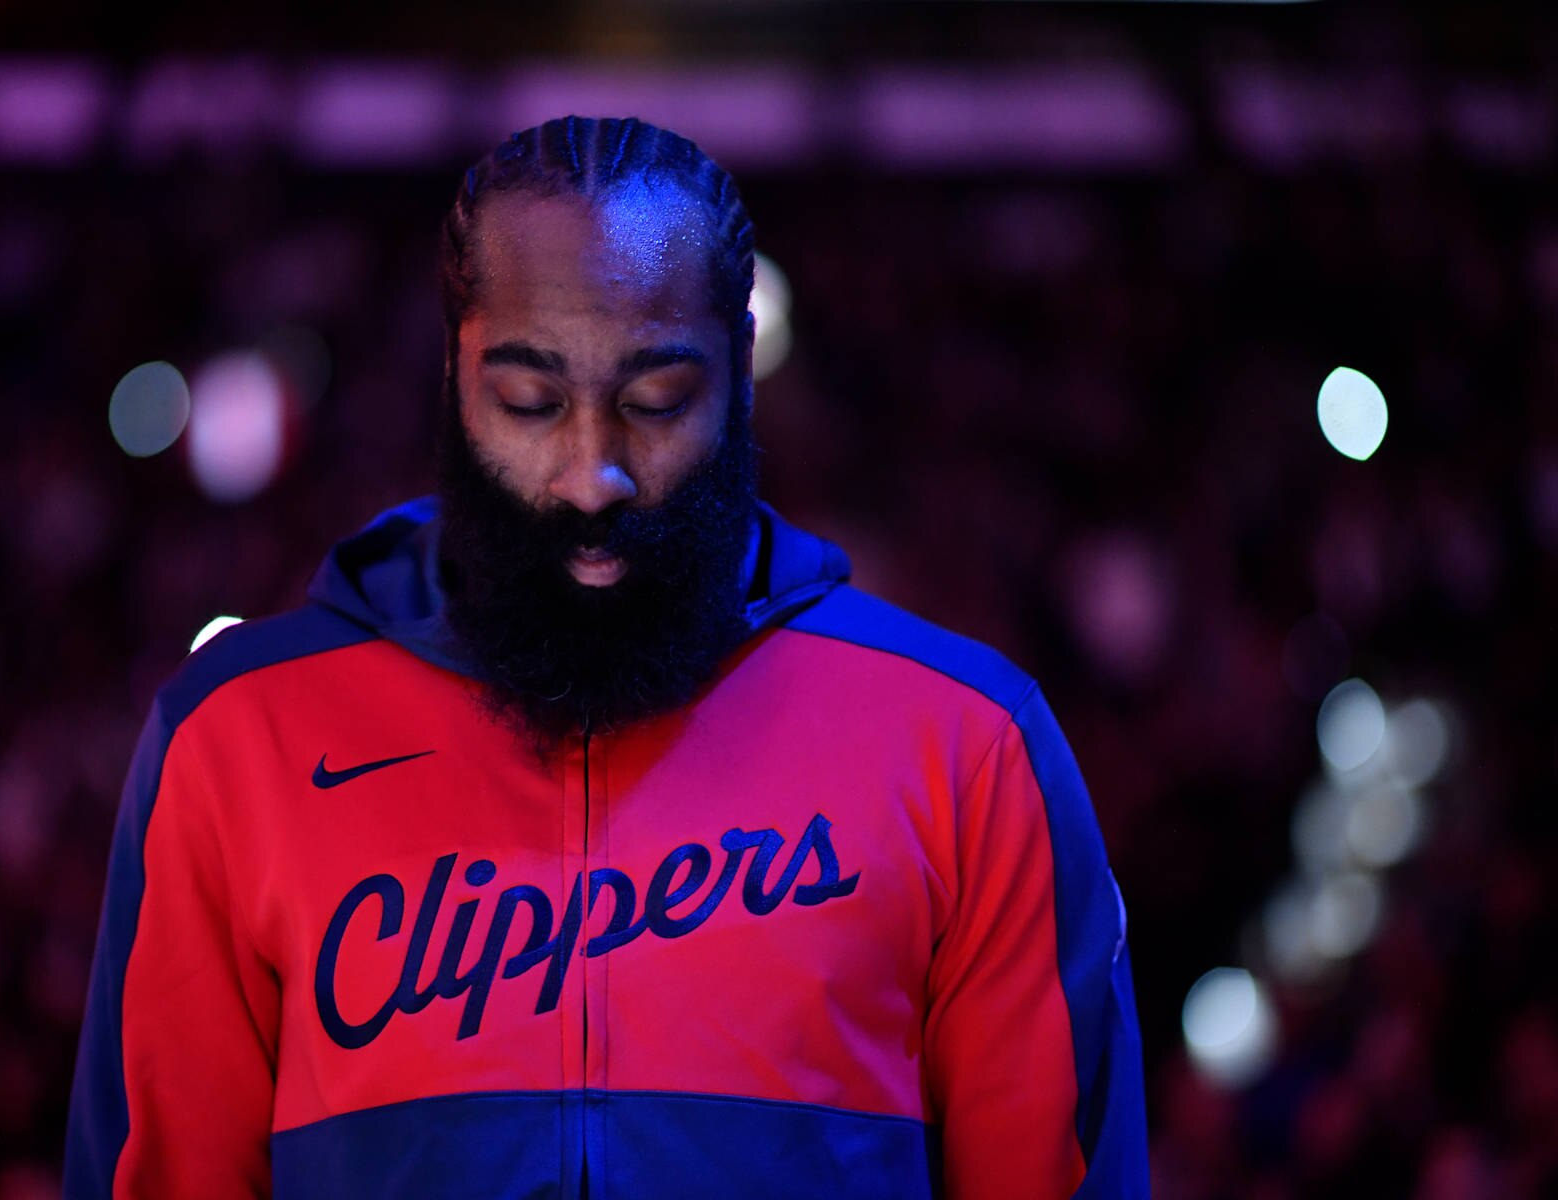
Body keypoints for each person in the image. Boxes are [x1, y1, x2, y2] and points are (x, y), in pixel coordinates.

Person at [63, 115, 1149, 1199]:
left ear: (742, 379)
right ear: (455, 378)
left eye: (657, 402)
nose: (593, 474)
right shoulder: (236, 743)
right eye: (530, 402)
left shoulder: (964, 747)